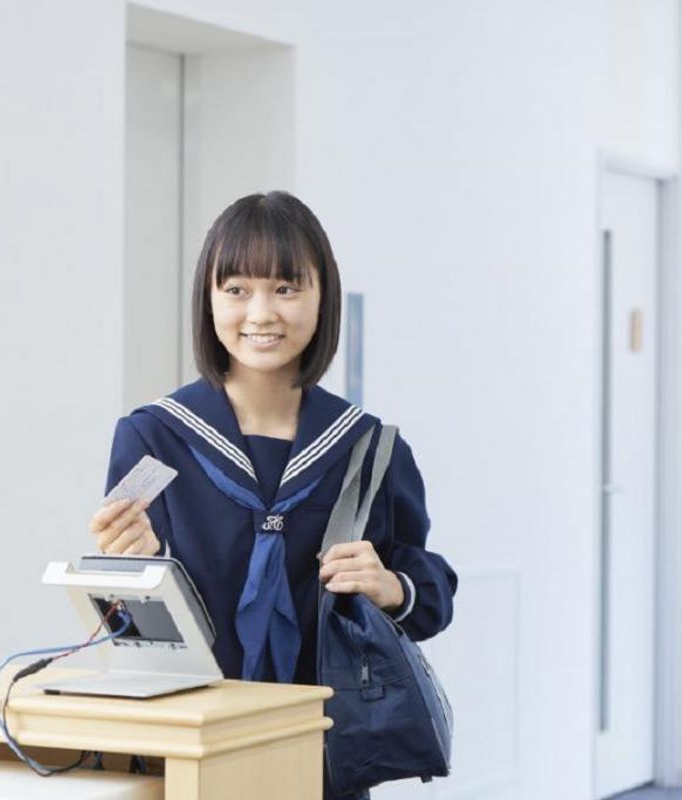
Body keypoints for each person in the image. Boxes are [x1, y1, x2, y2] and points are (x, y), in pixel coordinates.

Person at [89, 190, 457, 796]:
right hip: (192, 748)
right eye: (236, 289)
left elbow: (433, 589)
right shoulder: (155, 437)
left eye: (286, 288)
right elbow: (125, 631)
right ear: (208, 300)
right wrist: (129, 572)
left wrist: (392, 587)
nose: (261, 312)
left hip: (325, 760)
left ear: (322, 299)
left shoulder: (366, 449)